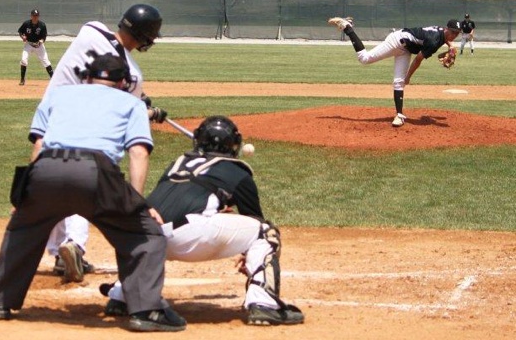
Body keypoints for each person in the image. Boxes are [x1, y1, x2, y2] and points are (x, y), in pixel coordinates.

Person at [0, 53, 186, 332]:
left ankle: (0, 302)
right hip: (96, 173)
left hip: (47, 169)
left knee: (23, 229)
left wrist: (25, 197)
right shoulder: (131, 102)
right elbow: (138, 152)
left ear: (87, 77)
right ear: (123, 82)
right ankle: (146, 310)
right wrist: (137, 204)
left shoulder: (58, 95)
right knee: (145, 234)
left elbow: (39, 146)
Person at [99, 116, 305, 326]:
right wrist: (247, 253)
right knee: (265, 231)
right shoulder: (237, 170)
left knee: (162, 225)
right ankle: (265, 304)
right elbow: (254, 218)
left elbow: (173, 202)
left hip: (148, 239)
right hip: (190, 238)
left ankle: (121, 296)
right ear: (233, 144)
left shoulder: (178, 163)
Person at [43, 4, 168, 283]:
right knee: (83, 184)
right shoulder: (132, 74)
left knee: (52, 182)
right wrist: (151, 111)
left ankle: (58, 252)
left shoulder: (91, 29)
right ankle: (74, 243)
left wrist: (138, 94)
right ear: (146, 38)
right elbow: (127, 106)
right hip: (87, 131)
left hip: (52, 116)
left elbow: (103, 64)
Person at [328, 17, 462, 127]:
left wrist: (451, 45)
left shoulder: (441, 34)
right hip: (396, 42)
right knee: (365, 59)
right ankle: (347, 27)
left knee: (398, 82)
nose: (454, 35)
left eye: (457, 33)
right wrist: (408, 77)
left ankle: (399, 115)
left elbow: (443, 38)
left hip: (406, 49)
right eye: (452, 32)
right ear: (446, 29)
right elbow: (418, 60)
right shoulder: (434, 40)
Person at [18, 9, 54, 85]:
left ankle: (53, 79)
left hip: (39, 46)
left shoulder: (42, 25)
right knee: (24, 60)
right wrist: (22, 37)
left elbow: (44, 37)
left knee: (46, 61)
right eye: (34, 15)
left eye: (36, 16)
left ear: (38, 16)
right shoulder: (26, 24)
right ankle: (22, 80)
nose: (35, 17)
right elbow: (20, 31)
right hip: (29, 44)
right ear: (31, 16)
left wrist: (42, 41)